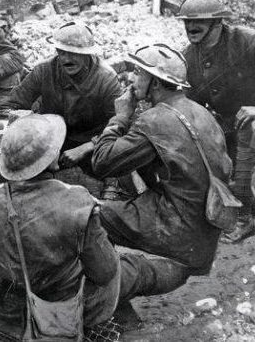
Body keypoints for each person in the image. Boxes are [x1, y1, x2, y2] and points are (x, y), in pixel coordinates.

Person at [91, 44, 232, 306]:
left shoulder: (154, 119)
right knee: (128, 185)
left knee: (89, 217)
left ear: (155, 83)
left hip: (177, 232)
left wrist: (120, 117)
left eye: (138, 73)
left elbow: (101, 163)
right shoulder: (201, 112)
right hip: (204, 231)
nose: (131, 78)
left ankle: (105, 290)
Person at [0, 113, 120, 341]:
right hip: (54, 311)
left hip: (0, 309)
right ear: (50, 159)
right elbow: (104, 272)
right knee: (131, 270)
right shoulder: (77, 201)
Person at [179, 0, 255, 242]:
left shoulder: (251, 42)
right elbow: (190, 105)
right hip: (230, 133)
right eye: (187, 21)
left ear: (218, 22)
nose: (191, 27)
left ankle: (243, 218)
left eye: (199, 21)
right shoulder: (189, 58)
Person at [0, 21, 122, 152]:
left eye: (74, 53)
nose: (67, 59)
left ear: (87, 54)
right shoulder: (44, 70)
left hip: (90, 144)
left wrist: (87, 147)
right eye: (62, 52)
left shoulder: (106, 78)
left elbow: (119, 124)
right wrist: (28, 123)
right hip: (47, 140)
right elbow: (10, 104)